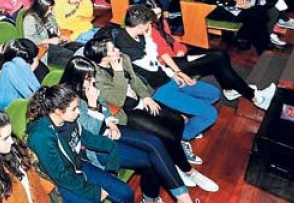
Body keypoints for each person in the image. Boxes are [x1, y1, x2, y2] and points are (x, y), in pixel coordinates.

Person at [82, 37, 219, 191]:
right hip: (124, 112)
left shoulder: (123, 58)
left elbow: (135, 80)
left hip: (141, 100)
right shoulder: (97, 76)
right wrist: (119, 71)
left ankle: (175, 156)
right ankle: (187, 170)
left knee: (177, 121)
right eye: (113, 49)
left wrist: (146, 97)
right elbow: (118, 100)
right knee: (168, 136)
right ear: (104, 57)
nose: (118, 50)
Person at [61, 58, 196, 203]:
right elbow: (87, 133)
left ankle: (180, 197)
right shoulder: (68, 100)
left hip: (109, 129)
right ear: (76, 78)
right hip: (97, 148)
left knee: (155, 141)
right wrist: (92, 106)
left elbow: (105, 107)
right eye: (88, 78)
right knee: (152, 160)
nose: (93, 80)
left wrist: (111, 122)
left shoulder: (87, 87)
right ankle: (154, 199)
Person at [139, 0, 276, 110]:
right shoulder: (145, 28)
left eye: (159, 12)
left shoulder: (160, 21)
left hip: (177, 56)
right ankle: (255, 97)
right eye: (154, 14)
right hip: (168, 64)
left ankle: (230, 90)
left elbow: (171, 39)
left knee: (220, 54)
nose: (157, 16)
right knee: (216, 57)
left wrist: (180, 49)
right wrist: (178, 68)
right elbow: (161, 54)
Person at [26, 85, 135, 203]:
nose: (78, 112)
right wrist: (93, 191)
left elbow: (88, 138)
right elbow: (61, 176)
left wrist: (112, 150)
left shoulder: (68, 120)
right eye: (73, 109)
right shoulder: (41, 136)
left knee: (127, 194)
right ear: (58, 111)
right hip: (61, 184)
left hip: (78, 167)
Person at [22, 0, 77, 67]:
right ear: (41, 9)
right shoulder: (30, 19)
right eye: (49, 9)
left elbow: (55, 28)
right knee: (75, 59)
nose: (51, 11)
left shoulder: (48, 14)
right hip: (47, 49)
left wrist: (61, 35)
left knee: (81, 49)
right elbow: (29, 40)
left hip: (58, 42)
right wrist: (48, 41)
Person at [0, 39, 42, 110]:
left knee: (18, 61)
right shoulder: (6, 67)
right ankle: (37, 99)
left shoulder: (17, 62)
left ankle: (41, 94)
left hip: (21, 100)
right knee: (8, 66)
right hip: (6, 107)